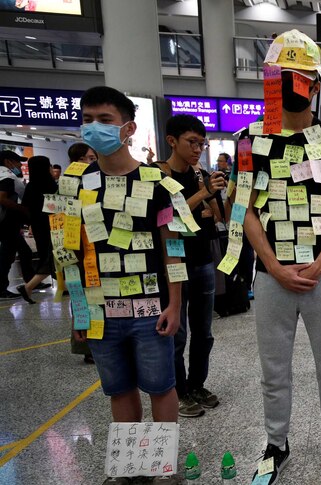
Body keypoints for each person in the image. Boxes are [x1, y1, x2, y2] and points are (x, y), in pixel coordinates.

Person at [232, 30, 321, 484]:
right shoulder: (250, 139)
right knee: (273, 368)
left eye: (299, 78)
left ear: (315, 85)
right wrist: (275, 267)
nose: (289, 84)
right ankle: (275, 443)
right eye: (281, 76)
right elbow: (243, 211)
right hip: (271, 275)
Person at [71, 86, 185, 484]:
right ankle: (133, 467)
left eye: (104, 120)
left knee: (160, 386)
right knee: (118, 389)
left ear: (128, 128)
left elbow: (172, 247)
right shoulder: (77, 185)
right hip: (102, 309)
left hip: (150, 306)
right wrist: (80, 311)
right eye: (87, 119)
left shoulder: (156, 183)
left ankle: (160, 465)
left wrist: (174, 304)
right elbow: (69, 252)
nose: (93, 128)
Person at [156, 114, 226, 418]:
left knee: (204, 332)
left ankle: (197, 384)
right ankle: (178, 390)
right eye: (191, 142)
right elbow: (169, 217)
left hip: (201, 260)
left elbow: (215, 216)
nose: (198, 148)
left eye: (202, 143)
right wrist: (202, 194)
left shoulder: (201, 174)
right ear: (172, 141)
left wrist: (211, 196)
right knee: (177, 333)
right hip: (174, 265)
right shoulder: (157, 175)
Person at [17, 156, 58, 303]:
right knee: (54, 256)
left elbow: (26, 207)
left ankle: (63, 287)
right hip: (54, 226)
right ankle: (29, 286)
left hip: (39, 226)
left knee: (50, 256)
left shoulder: (31, 185)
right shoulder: (51, 185)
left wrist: (32, 223)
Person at [0, 149, 28, 299]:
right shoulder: (6, 177)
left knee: (23, 251)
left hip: (6, 222)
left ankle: (30, 282)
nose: (19, 165)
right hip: (6, 222)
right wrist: (24, 210)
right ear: (8, 162)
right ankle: (1, 288)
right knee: (7, 254)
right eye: (17, 161)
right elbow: (2, 198)